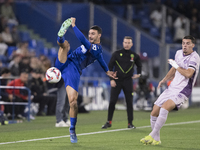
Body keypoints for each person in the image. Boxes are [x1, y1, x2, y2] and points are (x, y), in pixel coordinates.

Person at [55, 17, 117, 143]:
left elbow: (100, 58)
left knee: (73, 102)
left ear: (99, 35)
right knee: (64, 45)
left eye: (93, 34)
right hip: (67, 61)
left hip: (73, 70)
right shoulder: (93, 49)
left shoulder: (97, 49)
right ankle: (60, 36)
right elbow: (101, 61)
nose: (90, 35)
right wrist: (107, 70)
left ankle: (72, 130)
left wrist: (73, 25)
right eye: (89, 33)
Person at [140, 35, 200, 145]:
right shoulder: (178, 53)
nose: (185, 45)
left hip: (183, 90)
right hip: (171, 88)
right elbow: (173, 68)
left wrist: (176, 66)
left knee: (164, 108)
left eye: (187, 43)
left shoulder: (194, 58)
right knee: (154, 112)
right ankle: (157, 140)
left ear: (193, 45)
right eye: (183, 43)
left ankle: (151, 135)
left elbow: (188, 74)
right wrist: (164, 79)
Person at [101, 36, 142, 129]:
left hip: (128, 81)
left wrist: (138, 74)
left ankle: (130, 123)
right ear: (123, 43)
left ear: (131, 44)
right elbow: (110, 67)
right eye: (125, 42)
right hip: (117, 80)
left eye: (128, 43)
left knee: (129, 102)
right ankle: (109, 122)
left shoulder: (134, 55)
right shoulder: (116, 54)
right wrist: (111, 80)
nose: (127, 44)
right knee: (112, 102)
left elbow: (139, 65)